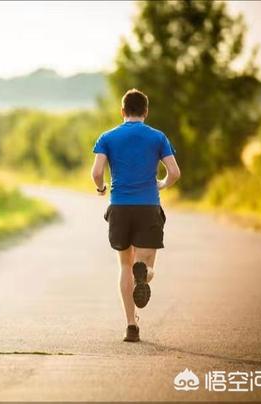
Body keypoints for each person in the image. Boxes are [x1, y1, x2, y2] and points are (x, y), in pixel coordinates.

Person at [91, 89, 181, 342]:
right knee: (146, 266)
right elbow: (174, 172)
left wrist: (101, 189)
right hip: (147, 207)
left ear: (122, 112)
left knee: (124, 265)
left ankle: (131, 326)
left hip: (120, 207)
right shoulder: (157, 137)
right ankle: (145, 274)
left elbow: (97, 172)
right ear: (146, 111)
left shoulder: (107, 137)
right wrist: (161, 184)